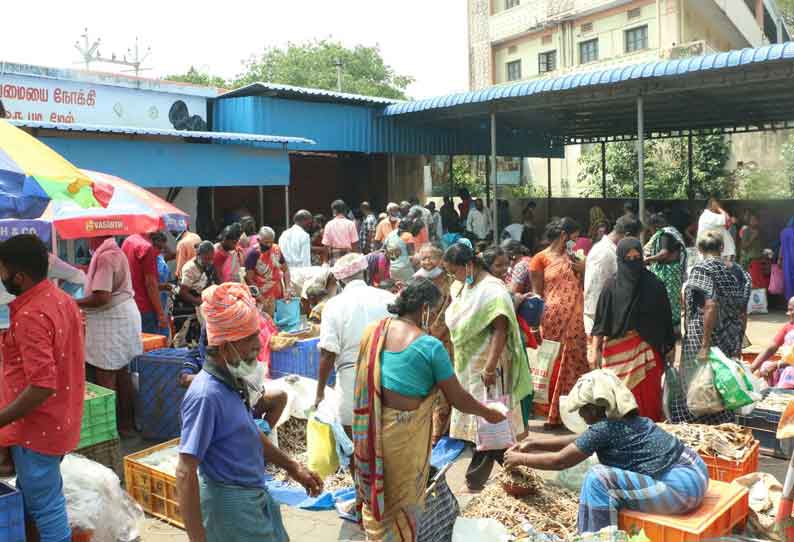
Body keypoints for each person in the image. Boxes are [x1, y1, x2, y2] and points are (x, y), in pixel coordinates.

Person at [354, 279, 506, 540]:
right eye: (434, 311)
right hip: (404, 439)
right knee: (401, 501)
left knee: (378, 496)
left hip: (370, 430)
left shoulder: (374, 331)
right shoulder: (430, 346)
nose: (435, 318)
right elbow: (457, 398)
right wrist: (488, 413)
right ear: (424, 309)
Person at [176, 283, 322, 542]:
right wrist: (197, 538)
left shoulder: (232, 382)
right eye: (250, 345)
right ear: (224, 348)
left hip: (253, 496)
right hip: (229, 507)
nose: (257, 349)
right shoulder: (205, 395)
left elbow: (248, 433)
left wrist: (292, 467)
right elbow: (185, 472)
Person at [503, 370, 708, 534]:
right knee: (600, 476)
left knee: (597, 478)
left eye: (582, 409)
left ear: (594, 409)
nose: (581, 415)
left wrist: (520, 458)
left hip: (682, 491)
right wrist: (536, 444)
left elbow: (560, 461)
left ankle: (599, 536)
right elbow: (583, 441)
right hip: (696, 471)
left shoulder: (605, 429)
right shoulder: (625, 420)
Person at [0, 234, 85, 541]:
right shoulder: (60, 300)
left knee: (47, 507)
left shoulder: (31, 314)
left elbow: (41, 385)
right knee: (34, 496)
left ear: (18, 277)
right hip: (59, 419)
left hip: (37, 428)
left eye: (2, 271)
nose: (1, 278)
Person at [443, 242, 533, 490]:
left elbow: (500, 329)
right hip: (468, 367)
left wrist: (491, 366)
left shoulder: (492, 290)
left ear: (469, 265)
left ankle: (487, 477)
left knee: (490, 420)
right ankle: (514, 473)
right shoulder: (464, 287)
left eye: (455, 271)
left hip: (487, 367)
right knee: (482, 420)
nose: (454, 276)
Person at [670, 230, 751, 424]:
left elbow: (711, 304)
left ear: (699, 249)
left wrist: (705, 345)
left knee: (698, 384)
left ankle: (698, 426)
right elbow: (742, 310)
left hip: (703, 337)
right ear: (722, 248)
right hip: (730, 337)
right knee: (724, 382)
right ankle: (723, 424)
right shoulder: (739, 272)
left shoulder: (702, 269)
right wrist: (739, 340)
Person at [591, 239, 675, 421]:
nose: (632, 262)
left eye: (636, 258)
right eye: (628, 258)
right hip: (616, 355)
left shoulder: (655, 285)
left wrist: (670, 346)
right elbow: (601, 322)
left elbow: (666, 318)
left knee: (648, 401)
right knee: (617, 402)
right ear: (620, 259)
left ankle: (649, 437)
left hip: (649, 354)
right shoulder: (610, 286)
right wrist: (594, 350)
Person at [316, 254, 395, 432]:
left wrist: (320, 392)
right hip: (389, 375)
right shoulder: (388, 298)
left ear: (340, 281)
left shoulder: (334, 305)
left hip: (351, 379)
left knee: (353, 440)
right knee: (384, 435)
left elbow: (328, 353)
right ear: (365, 273)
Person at [78, 236, 142, 435]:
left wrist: (73, 302)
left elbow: (101, 297)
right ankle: (126, 425)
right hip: (121, 316)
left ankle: (109, 431)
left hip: (111, 320)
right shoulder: (114, 252)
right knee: (121, 373)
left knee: (106, 376)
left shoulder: (106, 257)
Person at [529, 218, 590, 428]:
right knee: (553, 362)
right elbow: (537, 294)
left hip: (576, 317)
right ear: (564, 235)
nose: (576, 241)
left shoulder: (578, 257)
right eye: (574, 237)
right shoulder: (540, 259)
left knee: (577, 360)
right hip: (552, 318)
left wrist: (582, 267)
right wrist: (535, 325)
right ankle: (552, 413)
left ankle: (577, 411)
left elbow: (588, 282)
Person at [415, 245, 455, 444]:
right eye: (423, 259)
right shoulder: (416, 280)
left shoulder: (450, 283)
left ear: (440, 260)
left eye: (430, 258)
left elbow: (450, 310)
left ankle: (440, 431)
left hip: (444, 341)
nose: (427, 262)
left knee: (443, 385)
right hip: (420, 340)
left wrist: (433, 331)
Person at [583, 216, 641, 335]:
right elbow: (597, 289)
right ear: (627, 235)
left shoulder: (608, 249)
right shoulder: (605, 252)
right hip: (600, 316)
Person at [645, 213, 687, 334]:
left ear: (655, 226)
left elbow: (664, 253)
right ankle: (674, 329)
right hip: (672, 271)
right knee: (672, 300)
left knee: (667, 299)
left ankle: (670, 330)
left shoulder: (665, 235)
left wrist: (648, 260)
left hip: (668, 272)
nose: (651, 232)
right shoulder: (672, 232)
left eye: (651, 229)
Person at [122, 232, 169, 336]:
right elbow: (150, 284)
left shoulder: (128, 241)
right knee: (151, 347)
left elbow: (137, 278)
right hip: (145, 309)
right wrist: (161, 314)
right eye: (160, 249)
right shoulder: (147, 248)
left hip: (129, 305)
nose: (160, 253)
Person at [750, 297, 794, 388]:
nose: (788, 313)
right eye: (788, 310)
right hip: (786, 365)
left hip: (790, 368)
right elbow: (771, 347)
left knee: (789, 371)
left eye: (791, 310)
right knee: (766, 365)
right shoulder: (789, 326)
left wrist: (777, 365)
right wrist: (751, 369)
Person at [245, 227, 288, 317]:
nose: (269, 245)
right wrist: (259, 297)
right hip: (262, 296)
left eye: (271, 242)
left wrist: (287, 289)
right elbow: (249, 279)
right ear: (258, 240)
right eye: (266, 242)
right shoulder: (253, 254)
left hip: (278, 293)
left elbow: (286, 270)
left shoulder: (276, 249)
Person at [179, 241, 217, 322]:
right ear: (198, 255)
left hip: (206, 299)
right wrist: (199, 302)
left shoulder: (209, 265)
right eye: (206, 259)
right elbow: (183, 292)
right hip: (194, 301)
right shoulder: (189, 268)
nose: (209, 262)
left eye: (211, 259)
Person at [697, 197, 735, 263]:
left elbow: (728, 224)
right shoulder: (708, 215)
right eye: (718, 204)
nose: (721, 206)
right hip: (713, 255)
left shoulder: (712, 216)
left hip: (720, 254)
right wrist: (719, 209)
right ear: (712, 204)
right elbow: (727, 219)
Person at [322, 199, 359, 264]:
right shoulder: (351, 224)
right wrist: (355, 259)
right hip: (348, 258)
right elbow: (355, 244)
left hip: (334, 257)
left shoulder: (329, 224)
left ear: (334, 211)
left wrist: (325, 262)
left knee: (335, 274)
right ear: (345, 211)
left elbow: (326, 245)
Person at [739, 210, 769, 289]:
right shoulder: (746, 231)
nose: (754, 221)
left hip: (762, 261)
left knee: (762, 284)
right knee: (755, 284)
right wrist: (752, 237)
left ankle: (762, 301)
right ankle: (755, 300)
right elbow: (743, 246)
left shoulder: (761, 231)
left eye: (755, 220)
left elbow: (764, 246)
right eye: (752, 220)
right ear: (749, 221)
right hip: (752, 261)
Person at [384, 218, 418, 284]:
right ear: (409, 226)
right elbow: (411, 255)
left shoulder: (390, 234)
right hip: (405, 268)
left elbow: (384, 249)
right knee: (410, 288)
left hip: (392, 268)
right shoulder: (408, 235)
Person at [781, 217, 794, 302]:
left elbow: (781, 246)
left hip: (786, 261)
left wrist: (779, 259)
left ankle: (790, 305)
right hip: (792, 258)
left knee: (788, 281)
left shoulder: (783, 232)